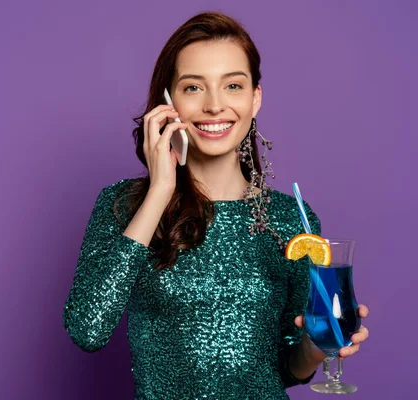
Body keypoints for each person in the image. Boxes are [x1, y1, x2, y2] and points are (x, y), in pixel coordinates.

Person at [63, 11, 369, 400]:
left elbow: (285, 369)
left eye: (233, 86)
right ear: (168, 101)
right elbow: (87, 329)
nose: (214, 106)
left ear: (255, 98)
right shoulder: (123, 204)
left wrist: (312, 348)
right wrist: (159, 191)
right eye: (193, 88)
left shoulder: (292, 218)